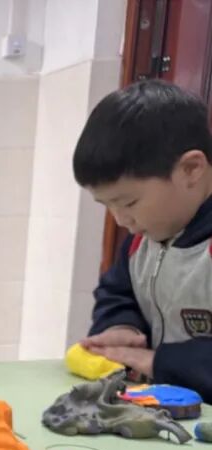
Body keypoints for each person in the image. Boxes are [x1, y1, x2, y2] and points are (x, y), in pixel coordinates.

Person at [73, 79, 212, 400]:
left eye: (129, 202)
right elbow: (118, 292)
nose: (121, 220)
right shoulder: (143, 240)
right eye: (107, 205)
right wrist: (123, 328)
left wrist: (157, 362)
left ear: (191, 169)